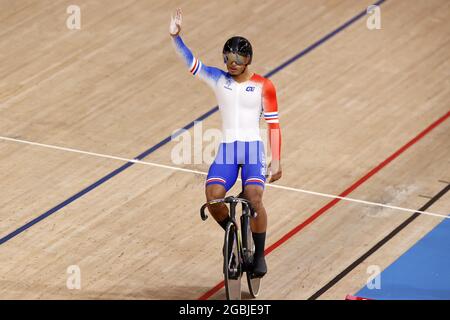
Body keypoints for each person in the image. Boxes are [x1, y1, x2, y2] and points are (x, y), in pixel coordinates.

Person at [170, 8, 282, 277]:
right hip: (229, 150)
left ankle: (259, 253)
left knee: (255, 199)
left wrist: (276, 159)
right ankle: (233, 235)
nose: (231, 62)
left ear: (248, 59)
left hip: (253, 149)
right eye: (227, 57)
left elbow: (274, 125)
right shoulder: (218, 79)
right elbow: (192, 63)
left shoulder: (265, 86)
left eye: (238, 57)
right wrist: (176, 37)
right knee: (213, 200)